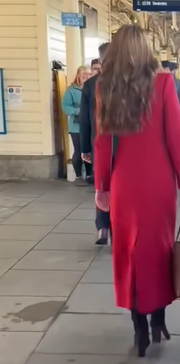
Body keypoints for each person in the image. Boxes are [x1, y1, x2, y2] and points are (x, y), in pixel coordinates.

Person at [94, 25, 180, 357]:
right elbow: (175, 137)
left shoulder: (105, 88)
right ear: (146, 50)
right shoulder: (164, 82)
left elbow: (102, 143)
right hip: (159, 182)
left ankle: (138, 327)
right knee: (160, 250)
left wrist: (102, 187)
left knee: (129, 252)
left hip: (125, 182)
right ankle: (158, 321)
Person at [80, 42, 111, 244]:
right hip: (122, 147)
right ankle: (117, 226)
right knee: (117, 187)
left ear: (100, 60)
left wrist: (84, 148)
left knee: (101, 186)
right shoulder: (126, 82)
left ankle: (102, 227)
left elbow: (84, 119)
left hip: (97, 143)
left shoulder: (91, 84)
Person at [62, 65, 92, 186]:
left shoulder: (92, 88)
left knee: (89, 150)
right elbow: (66, 106)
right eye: (84, 74)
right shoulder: (71, 90)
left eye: (89, 74)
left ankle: (89, 175)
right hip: (76, 126)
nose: (87, 76)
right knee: (79, 150)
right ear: (78, 75)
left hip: (90, 125)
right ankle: (79, 177)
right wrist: (78, 111)